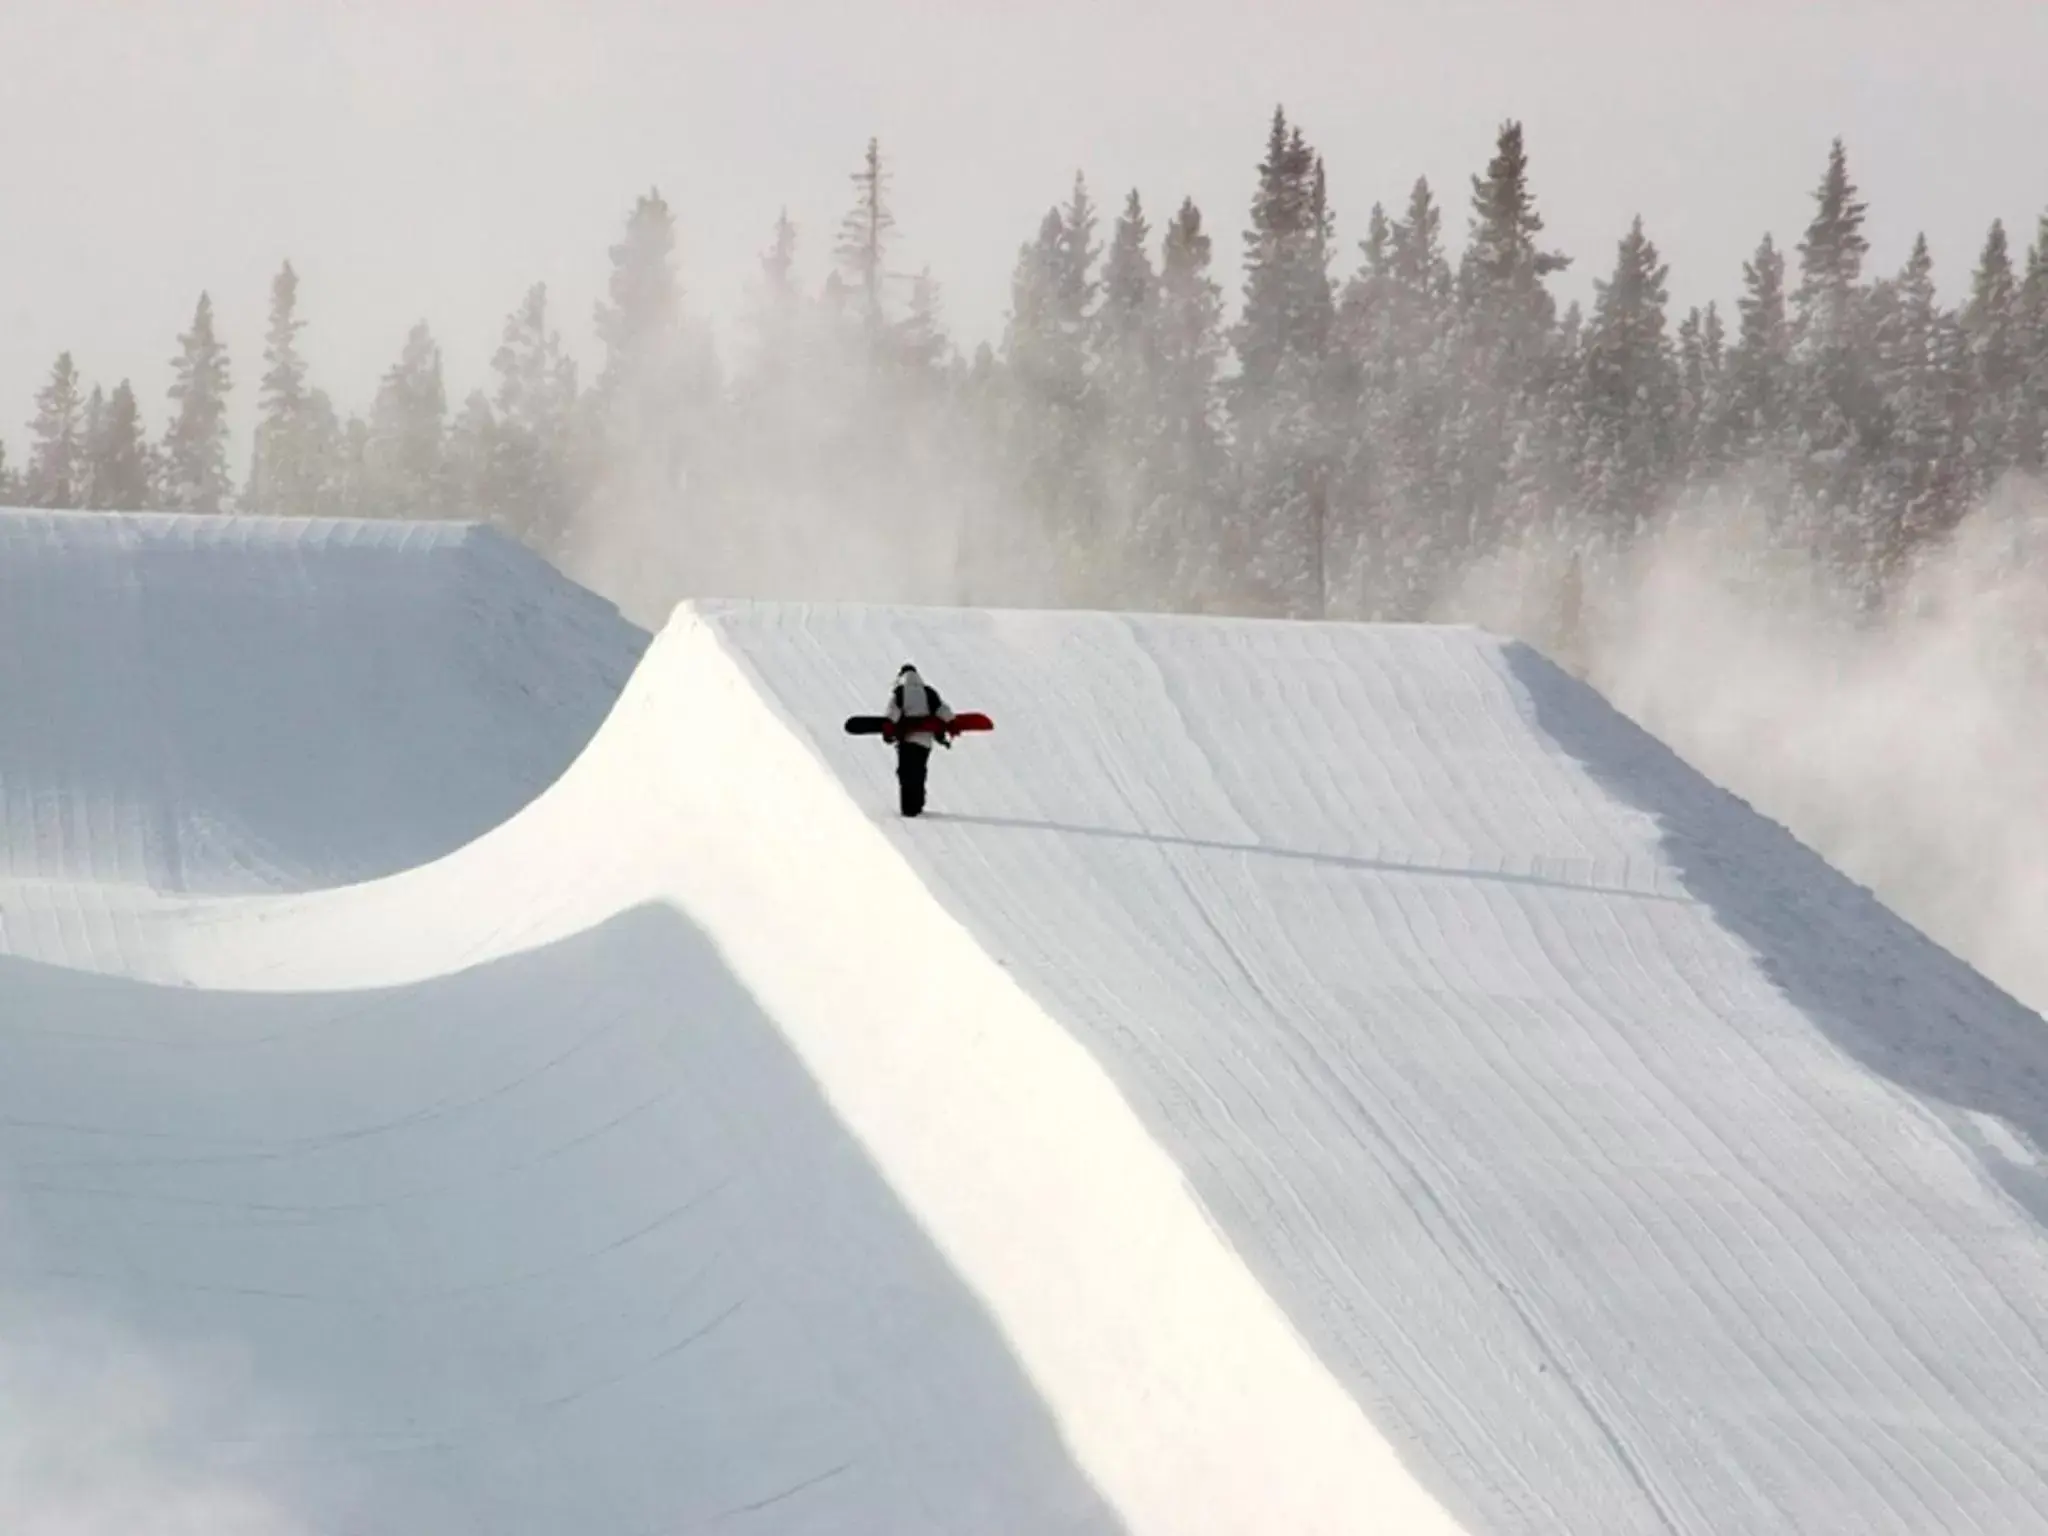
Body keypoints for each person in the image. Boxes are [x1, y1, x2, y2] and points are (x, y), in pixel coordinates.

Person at [885, 662, 954, 817]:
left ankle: (908, 808)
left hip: (907, 740)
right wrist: (948, 727)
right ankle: (918, 804)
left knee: (905, 773)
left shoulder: (901, 692)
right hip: (924, 742)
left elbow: (891, 714)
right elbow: (944, 712)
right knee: (919, 771)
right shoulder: (929, 692)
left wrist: (888, 733)